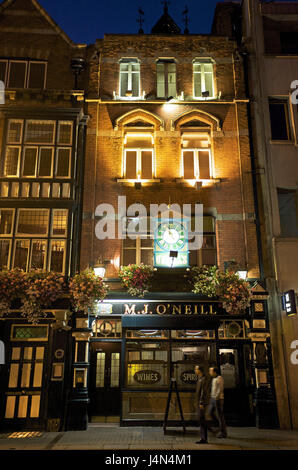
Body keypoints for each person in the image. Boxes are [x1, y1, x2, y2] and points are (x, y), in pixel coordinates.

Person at [208, 366, 227, 438]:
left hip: (218, 399)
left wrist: (216, 397)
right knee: (210, 412)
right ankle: (218, 426)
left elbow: (220, 389)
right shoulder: (213, 379)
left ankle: (223, 432)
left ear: (215, 372)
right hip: (213, 398)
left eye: (211, 371)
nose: (210, 372)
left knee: (220, 415)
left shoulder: (219, 378)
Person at [194, 365, 211, 444]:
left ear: (200, 370)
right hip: (199, 402)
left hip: (201, 403)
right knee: (201, 420)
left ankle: (204, 438)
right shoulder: (200, 379)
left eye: (196, 369)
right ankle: (203, 437)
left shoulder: (203, 379)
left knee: (202, 419)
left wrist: (201, 402)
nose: (195, 370)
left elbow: (203, 392)